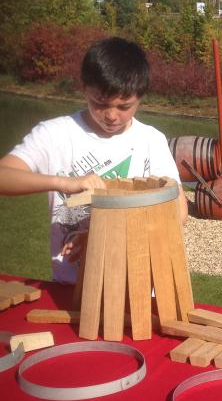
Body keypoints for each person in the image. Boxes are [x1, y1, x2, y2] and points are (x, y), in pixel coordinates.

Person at [0, 36, 187, 285]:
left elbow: (178, 211)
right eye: (100, 103)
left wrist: (102, 236)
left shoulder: (151, 140)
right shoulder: (54, 134)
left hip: (137, 286)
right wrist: (63, 183)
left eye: (124, 106)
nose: (111, 115)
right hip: (71, 286)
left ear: (140, 97)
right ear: (84, 88)